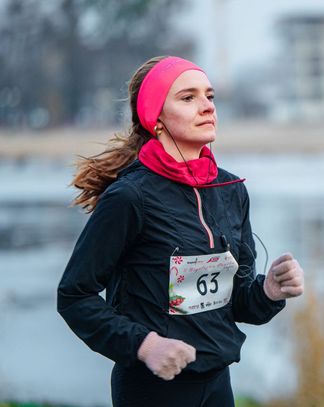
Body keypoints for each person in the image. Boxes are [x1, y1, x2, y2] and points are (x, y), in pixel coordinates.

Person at [57, 55, 305, 407]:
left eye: (209, 96)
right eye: (188, 98)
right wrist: (145, 345)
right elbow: (74, 296)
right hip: (152, 388)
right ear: (155, 118)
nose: (207, 106)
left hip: (218, 384)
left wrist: (269, 291)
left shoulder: (231, 190)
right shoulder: (130, 197)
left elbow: (235, 301)